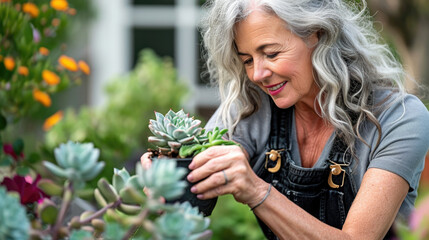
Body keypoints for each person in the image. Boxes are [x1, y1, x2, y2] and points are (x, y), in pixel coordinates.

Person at [142, 0, 429, 239]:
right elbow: (195, 199)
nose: (257, 74)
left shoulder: (398, 118)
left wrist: (255, 190)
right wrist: (167, 178)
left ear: (317, 33)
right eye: (248, 60)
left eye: (271, 53)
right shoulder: (252, 106)